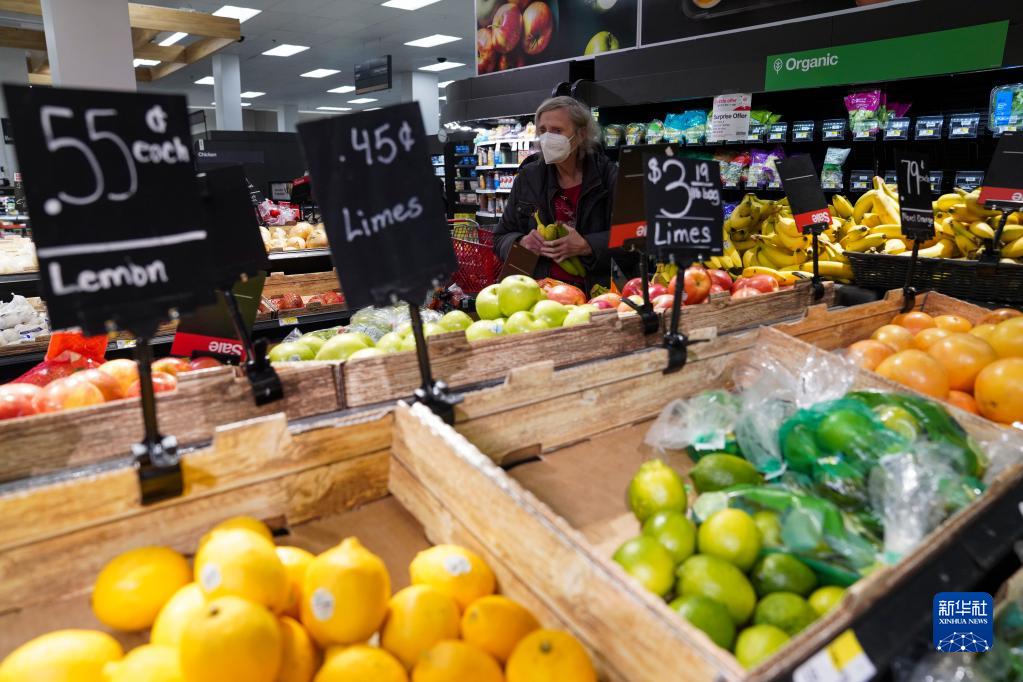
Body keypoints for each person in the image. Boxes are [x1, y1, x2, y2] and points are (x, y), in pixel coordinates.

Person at [493, 96, 617, 289]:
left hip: (597, 292)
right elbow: (500, 237)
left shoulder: (609, 177)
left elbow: (634, 241)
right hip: (539, 290)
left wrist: (588, 245)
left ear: (581, 134)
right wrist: (520, 242)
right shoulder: (528, 178)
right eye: (542, 131)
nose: (547, 138)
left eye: (557, 131)